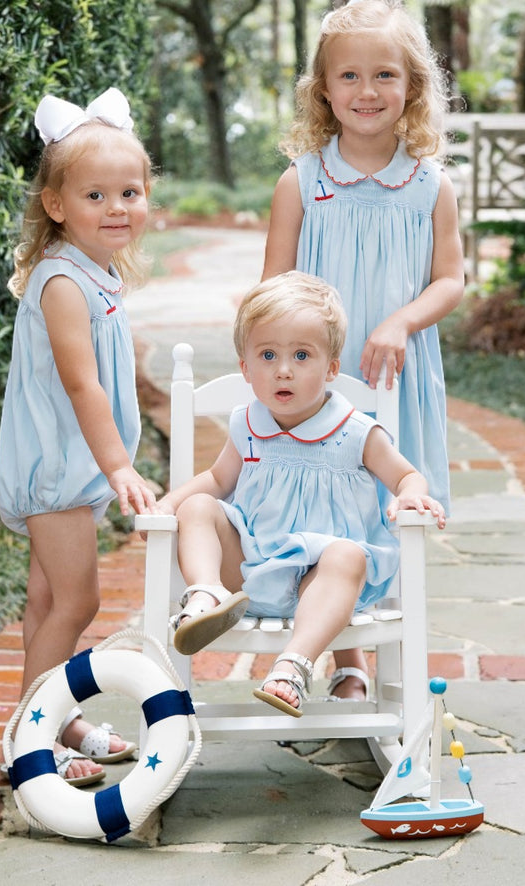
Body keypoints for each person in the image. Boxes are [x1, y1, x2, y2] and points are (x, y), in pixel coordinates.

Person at [262, 0, 464, 701]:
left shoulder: (430, 187)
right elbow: (273, 293)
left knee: (384, 501)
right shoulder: (303, 184)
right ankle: (346, 659)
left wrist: (402, 320)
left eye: (384, 75)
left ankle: (378, 651)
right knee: (329, 505)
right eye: (348, 77)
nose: (366, 91)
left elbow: (451, 280)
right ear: (322, 90)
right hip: (322, 381)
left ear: (412, 85)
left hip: (396, 372)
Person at [156, 272, 445, 716]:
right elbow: (216, 481)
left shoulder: (355, 432)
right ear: (246, 368)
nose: (283, 369)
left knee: (348, 555)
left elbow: (408, 476)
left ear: (331, 368)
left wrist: (411, 495)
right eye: (267, 355)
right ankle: (206, 594)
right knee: (198, 505)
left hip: (323, 582)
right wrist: (167, 504)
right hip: (251, 572)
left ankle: (293, 665)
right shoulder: (247, 425)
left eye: (302, 355)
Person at [0, 87, 158, 785]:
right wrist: (119, 465)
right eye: (96, 196)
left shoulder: (95, 272)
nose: (116, 208)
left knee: (46, 603)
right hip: (58, 468)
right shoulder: (64, 281)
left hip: (67, 467)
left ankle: (51, 721)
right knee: (78, 602)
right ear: (56, 205)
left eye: (130, 191)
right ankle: (36, 743)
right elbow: (80, 385)